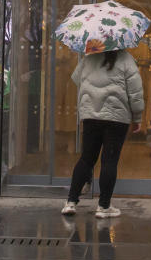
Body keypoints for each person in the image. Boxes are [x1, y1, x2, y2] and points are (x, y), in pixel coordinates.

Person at [61, 49, 144, 218]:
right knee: (109, 160)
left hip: (91, 115)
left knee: (87, 158)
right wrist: (138, 117)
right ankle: (104, 206)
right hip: (116, 116)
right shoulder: (126, 58)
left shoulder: (89, 57)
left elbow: (76, 78)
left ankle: (71, 202)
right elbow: (135, 92)